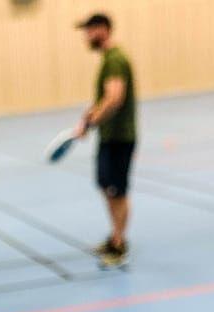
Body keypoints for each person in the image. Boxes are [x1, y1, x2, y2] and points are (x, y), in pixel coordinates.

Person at [75, 13, 136, 268]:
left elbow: (114, 98)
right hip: (108, 136)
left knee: (117, 191)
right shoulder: (108, 60)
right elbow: (105, 98)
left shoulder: (115, 60)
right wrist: (90, 113)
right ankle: (115, 236)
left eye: (89, 30)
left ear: (103, 30)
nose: (86, 36)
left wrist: (92, 121)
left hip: (120, 137)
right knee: (105, 185)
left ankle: (119, 244)